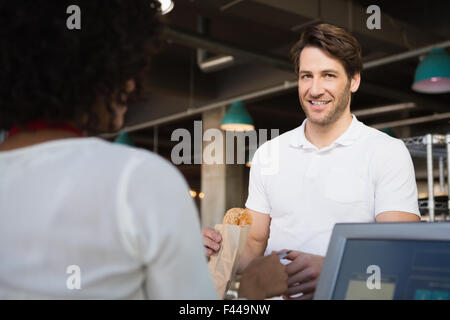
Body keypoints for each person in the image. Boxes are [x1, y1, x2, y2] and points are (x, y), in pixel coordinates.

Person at [0, 0, 288, 300]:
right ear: (104, 68)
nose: (132, 83)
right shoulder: (135, 178)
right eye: (129, 67)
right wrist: (250, 294)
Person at [203, 23, 421, 300]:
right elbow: (254, 246)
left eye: (328, 75)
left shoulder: (386, 152)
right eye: (307, 76)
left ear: (354, 80)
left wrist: (335, 270)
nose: (315, 89)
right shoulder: (269, 154)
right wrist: (219, 251)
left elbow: (399, 252)